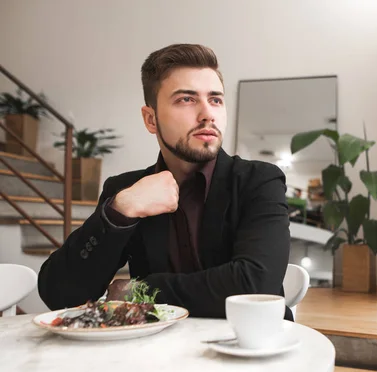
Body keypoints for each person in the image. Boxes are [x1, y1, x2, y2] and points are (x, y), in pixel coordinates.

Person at [37, 43, 293, 321]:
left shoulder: (259, 180)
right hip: (157, 352)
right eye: (187, 99)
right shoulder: (126, 190)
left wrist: (140, 291)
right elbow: (59, 294)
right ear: (151, 119)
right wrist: (120, 210)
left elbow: (256, 285)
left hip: (251, 347)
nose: (208, 113)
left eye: (216, 100)